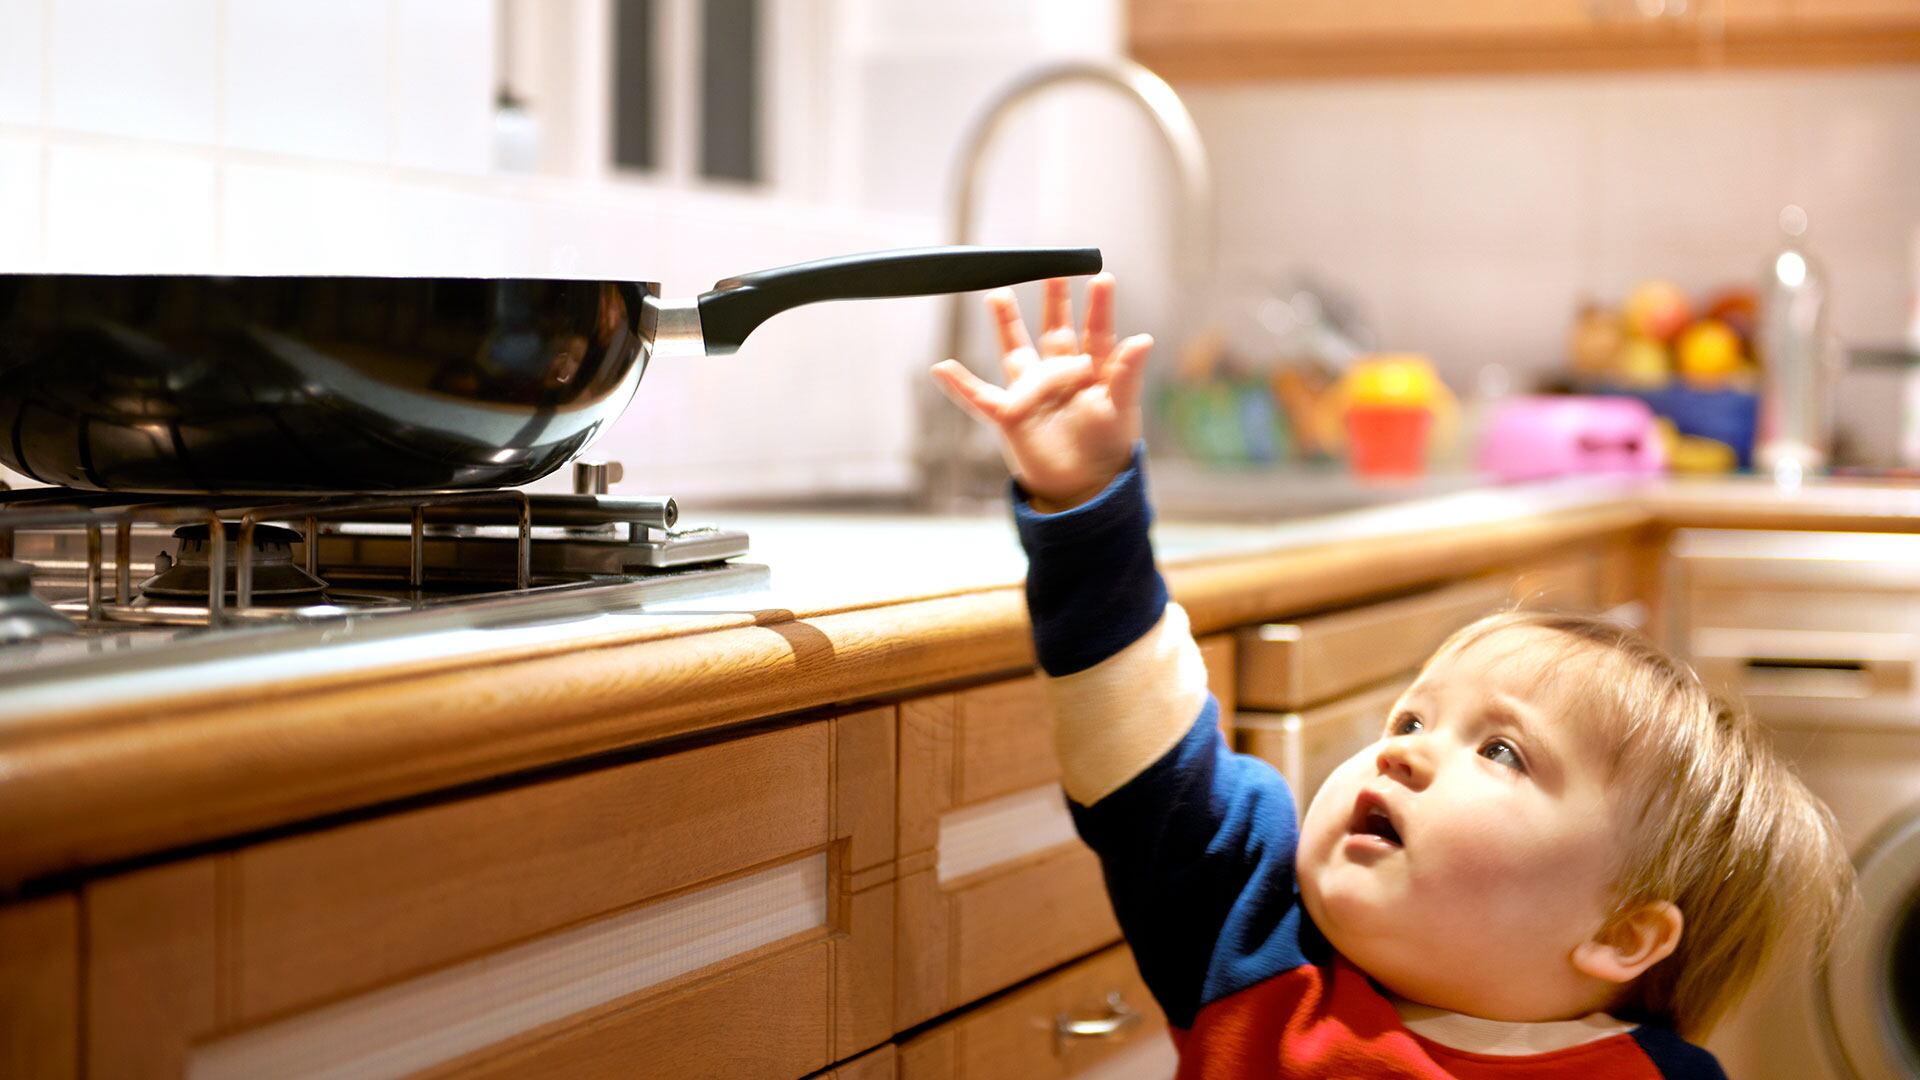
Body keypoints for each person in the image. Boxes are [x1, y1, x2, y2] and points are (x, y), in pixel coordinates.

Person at [930, 274, 1855, 1078]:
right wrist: (1087, 503)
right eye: (1411, 722)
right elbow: (1142, 748)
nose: (1403, 756)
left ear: (1620, 936)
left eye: (1501, 751)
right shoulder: (1252, 951)